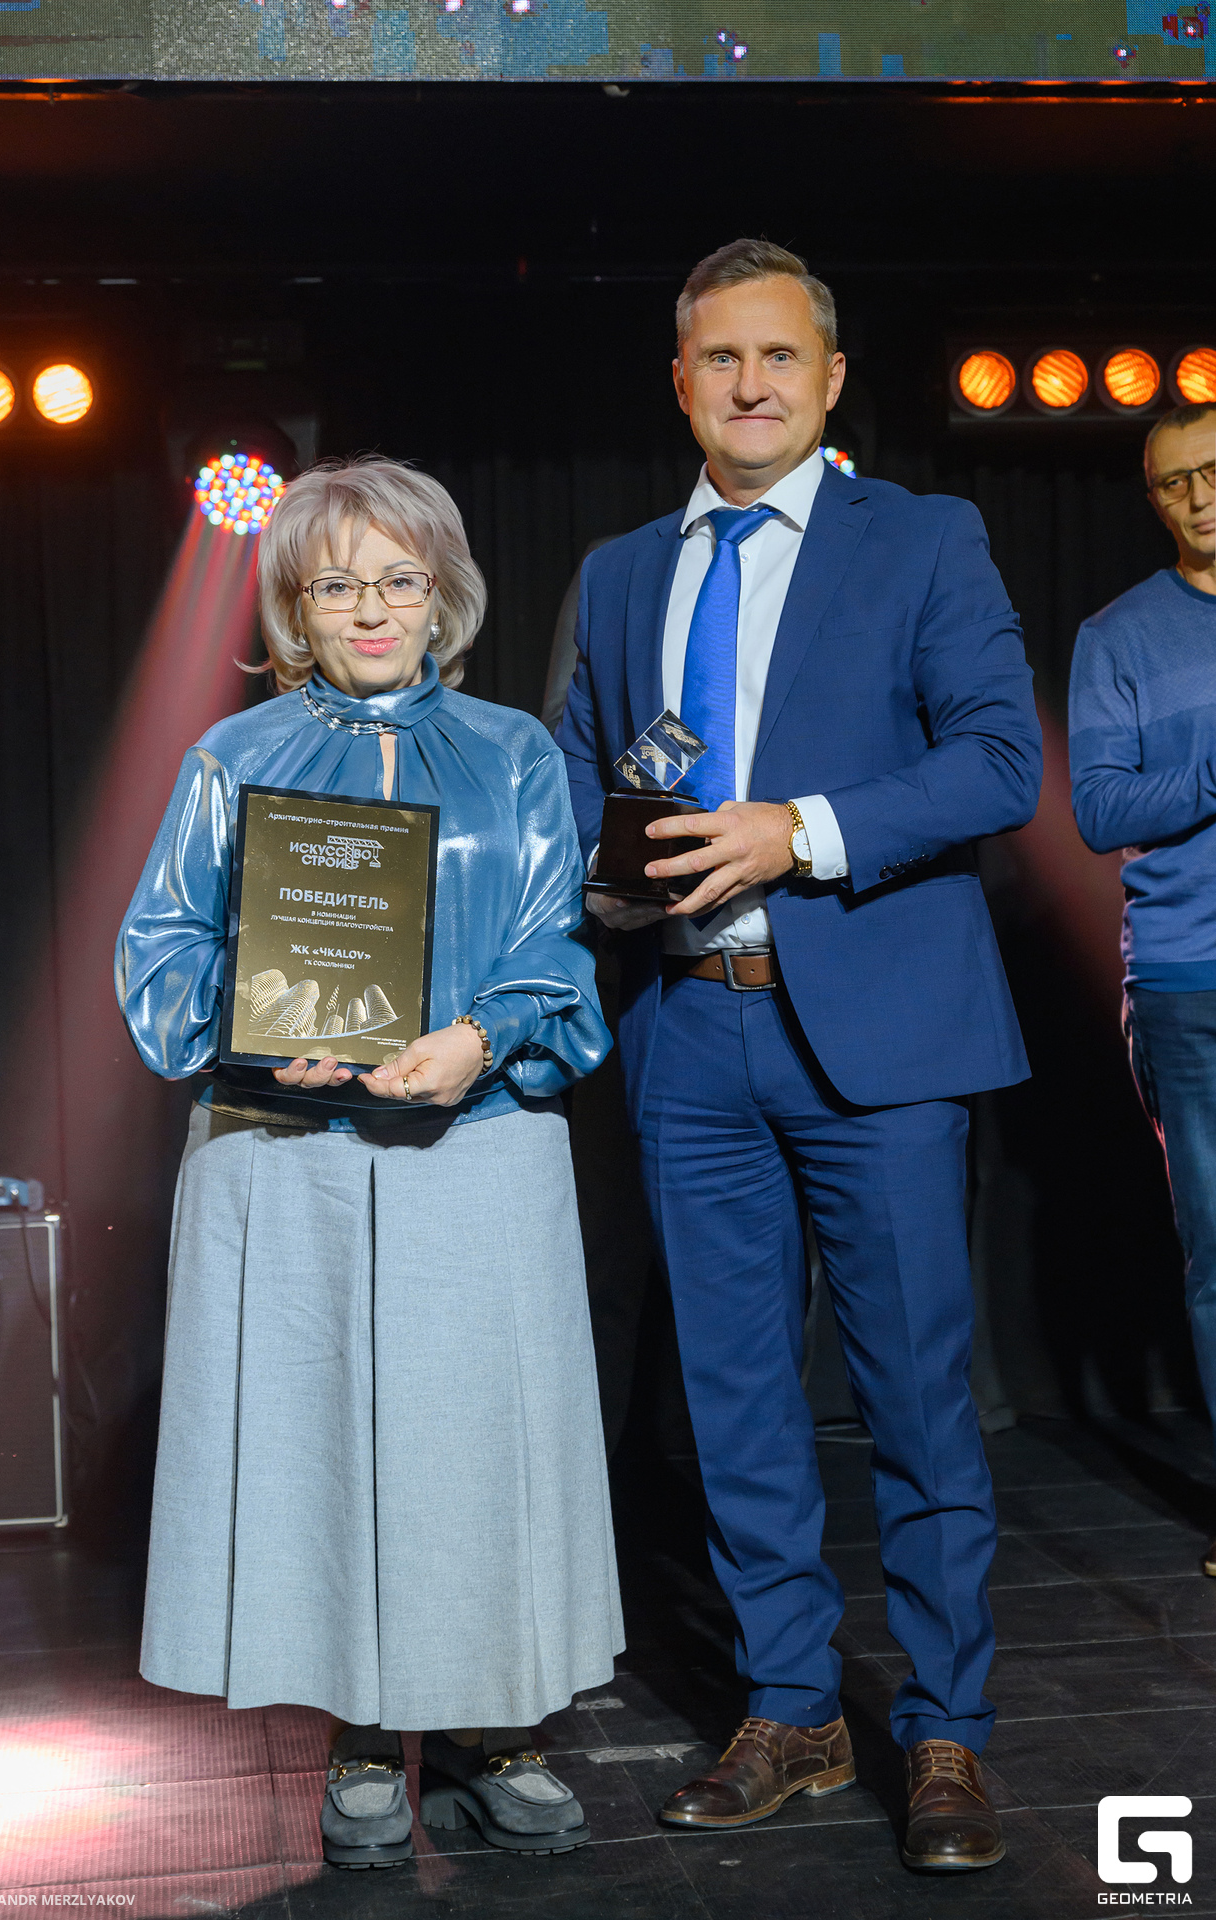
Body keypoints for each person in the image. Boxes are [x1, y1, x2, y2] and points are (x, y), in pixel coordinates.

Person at [556, 238, 1042, 1873]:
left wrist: (799, 830)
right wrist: (600, 883)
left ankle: (947, 1727)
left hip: (878, 1033)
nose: (749, 384)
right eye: (720, 358)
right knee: (734, 1399)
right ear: (679, 382)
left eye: (779, 357)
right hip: (688, 1030)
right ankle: (791, 1708)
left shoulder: (923, 537)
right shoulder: (623, 572)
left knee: (912, 1396)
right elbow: (582, 777)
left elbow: (998, 761)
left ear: (831, 381)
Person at [116, 457, 622, 1870]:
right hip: (287, 1157)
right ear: (295, 606)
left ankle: (492, 1729)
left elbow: (550, 945)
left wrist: (476, 1038)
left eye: (401, 579)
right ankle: (356, 1736)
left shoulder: (514, 753)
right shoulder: (232, 759)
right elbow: (162, 951)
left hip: (478, 1138)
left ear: (444, 593)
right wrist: (265, 1033)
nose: (374, 608)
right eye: (338, 584)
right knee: (321, 1450)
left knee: (480, 1447)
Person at [1069, 399, 1216, 1576]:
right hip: (1187, 979)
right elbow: (1099, 807)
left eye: (1211, 471)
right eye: (1173, 482)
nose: (1198, 496)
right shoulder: (1116, 635)